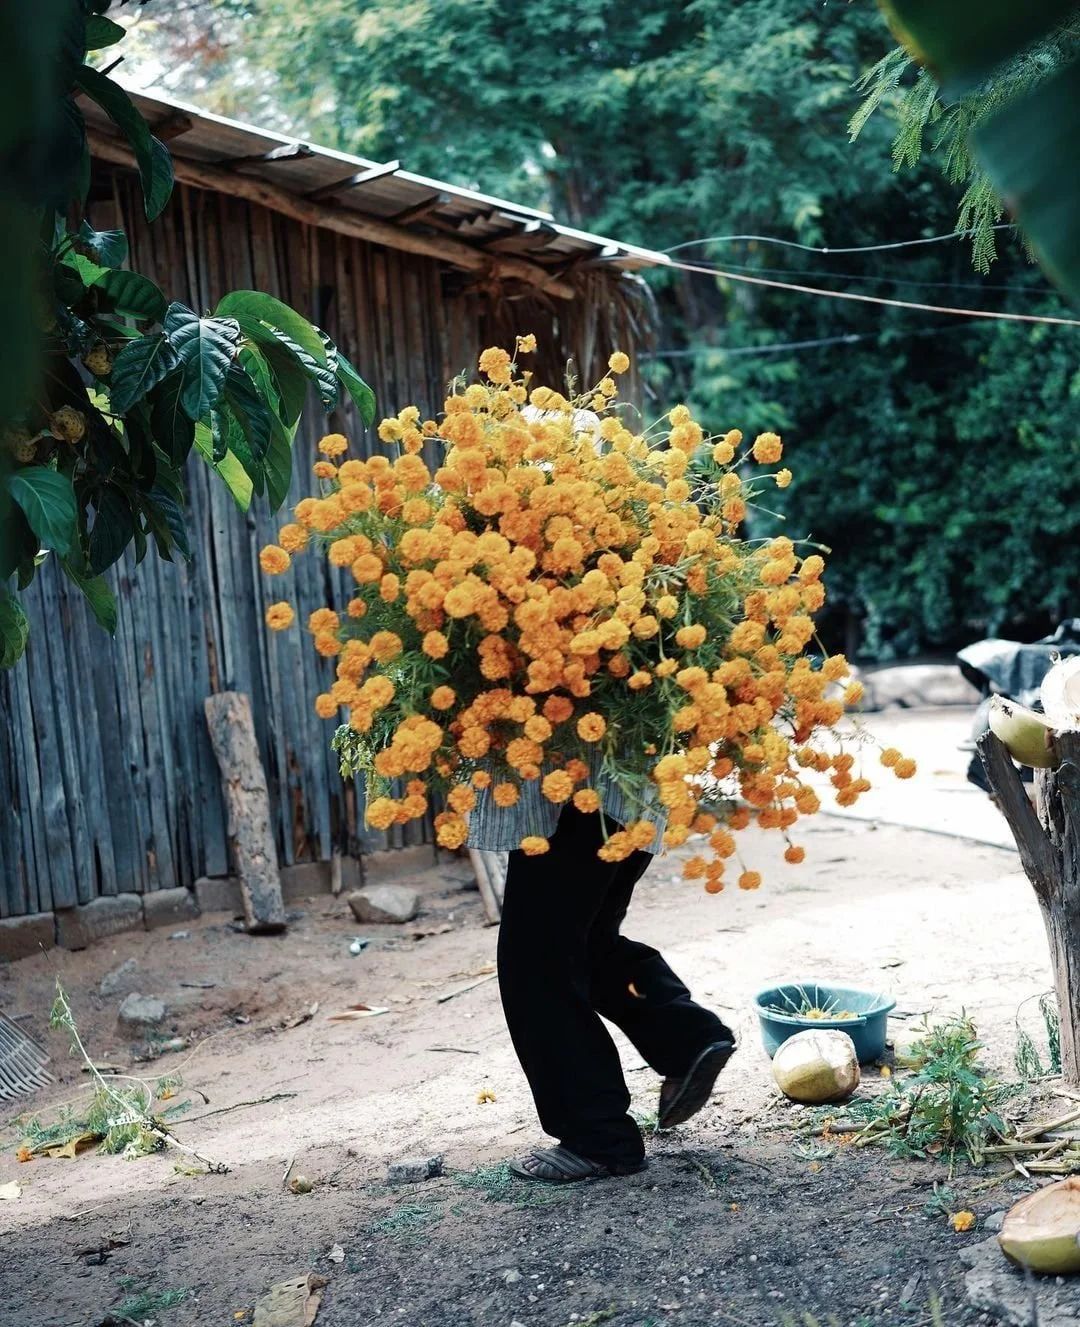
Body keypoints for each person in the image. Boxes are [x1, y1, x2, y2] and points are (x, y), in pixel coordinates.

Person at [469, 769, 736, 1183]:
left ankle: (596, 1138)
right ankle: (688, 1038)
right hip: (629, 785)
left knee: (536, 962)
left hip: (577, 786)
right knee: (584, 943)